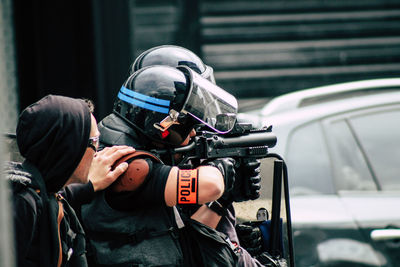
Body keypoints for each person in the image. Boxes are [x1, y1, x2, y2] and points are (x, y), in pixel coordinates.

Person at [81, 62, 264, 266]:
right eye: (188, 127)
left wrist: (221, 203)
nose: (194, 133)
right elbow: (210, 185)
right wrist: (222, 167)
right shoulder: (128, 166)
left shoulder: (130, 144)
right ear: (164, 125)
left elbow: (192, 236)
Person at [131, 45, 269, 265]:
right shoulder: (140, 164)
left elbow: (198, 235)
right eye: (195, 104)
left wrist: (226, 215)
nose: (196, 128)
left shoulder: (180, 155)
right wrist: (219, 184)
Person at [5, 95, 135, 266]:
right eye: (94, 141)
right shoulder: (20, 202)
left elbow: (55, 194)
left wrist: (89, 186)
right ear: (70, 148)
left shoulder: (45, 193)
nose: (98, 151)